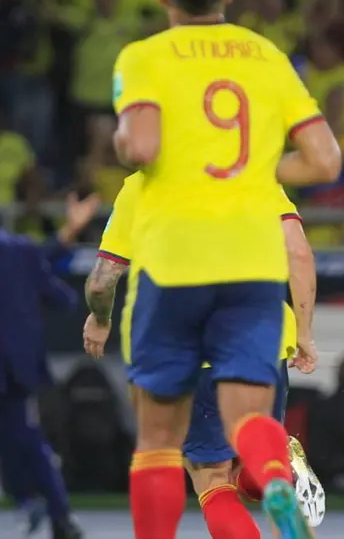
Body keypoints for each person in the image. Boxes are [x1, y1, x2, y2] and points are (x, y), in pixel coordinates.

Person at [109, 0, 341, 536]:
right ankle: (278, 478)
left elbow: (138, 147)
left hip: (174, 266)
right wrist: (260, 169)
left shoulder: (144, 57)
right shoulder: (267, 58)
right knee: (249, 421)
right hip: (253, 272)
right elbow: (326, 161)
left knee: (164, 444)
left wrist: (121, 141)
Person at [81, 172, 327, 535]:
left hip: (188, 350)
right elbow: (299, 252)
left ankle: (268, 479)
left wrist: (99, 318)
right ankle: (277, 478)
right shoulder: (248, 171)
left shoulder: (140, 186)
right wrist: (305, 331)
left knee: (211, 477)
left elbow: (103, 280)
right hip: (261, 338)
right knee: (262, 450)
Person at [0, 192, 100, 539]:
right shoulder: (19, 250)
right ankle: (53, 513)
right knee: (25, 440)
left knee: (21, 441)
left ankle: (36, 504)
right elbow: (61, 297)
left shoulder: (20, 253)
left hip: (12, 366)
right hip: (18, 366)